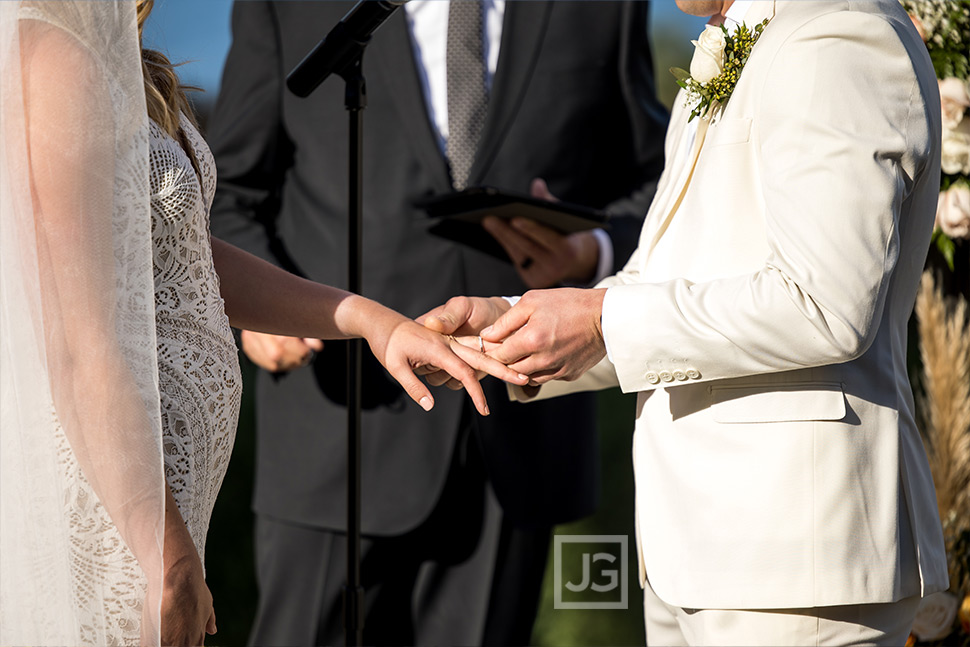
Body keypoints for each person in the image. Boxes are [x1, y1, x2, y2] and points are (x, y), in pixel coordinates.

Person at [425, 0, 951, 644]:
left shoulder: (837, 35)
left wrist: (599, 318)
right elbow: (657, 289)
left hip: (796, 565)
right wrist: (507, 329)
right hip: (693, 557)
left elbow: (825, 305)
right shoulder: (728, 45)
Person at [0, 2, 522, 645]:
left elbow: (178, 249)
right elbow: (80, 349)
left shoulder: (104, 50)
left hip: (157, 498)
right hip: (108, 501)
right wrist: (168, 561)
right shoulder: (54, 55)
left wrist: (368, 320)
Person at [206, 0, 668, 643]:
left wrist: (591, 250)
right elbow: (230, 192)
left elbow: (663, 185)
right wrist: (266, 314)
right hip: (336, 431)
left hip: (516, 435)